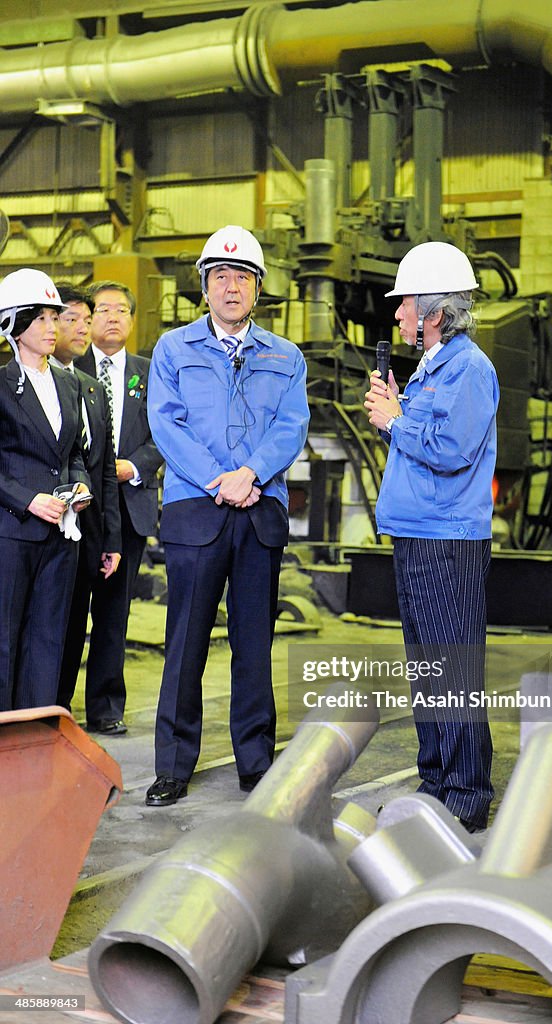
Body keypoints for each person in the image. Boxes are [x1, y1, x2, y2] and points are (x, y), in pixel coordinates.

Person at [145, 225, 309, 806]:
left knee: (254, 644)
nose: (231, 286)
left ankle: (255, 764)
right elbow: (166, 423)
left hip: (259, 511)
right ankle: (173, 766)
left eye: (242, 277)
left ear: (257, 289)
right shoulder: (172, 349)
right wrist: (221, 478)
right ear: (205, 288)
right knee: (185, 641)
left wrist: (252, 475)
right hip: (197, 508)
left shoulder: (285, 357)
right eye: (220, 277)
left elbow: (292, 426)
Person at [364, 241, 499, 832]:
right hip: (417, 533)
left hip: (447, 539)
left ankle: (467, 795)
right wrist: (398, 414)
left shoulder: (469, 369)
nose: (396, 315)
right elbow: (423, 442)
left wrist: (396, 419)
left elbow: (451, 450)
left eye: (405, 304)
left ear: (435, 313)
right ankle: (436, 782)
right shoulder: (433, 367)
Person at [0, 269, 91, 710]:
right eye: (41, 319)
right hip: (13, 534)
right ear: (13, 326)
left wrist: (81, 486)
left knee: (48, 640)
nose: (53, 327)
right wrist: (27, 499)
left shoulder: (70, 383)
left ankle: (37, 735)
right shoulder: (0, 385)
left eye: (56, 317)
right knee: (5, 639)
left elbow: (73, 451)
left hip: (61, 536)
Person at [74, 280, 163, 734]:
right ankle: (53, 705)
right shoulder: (68, 365)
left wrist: (135, 466)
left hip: (128, 510)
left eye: (120, 310)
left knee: (113, 615)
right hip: (75, 511)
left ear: (131, 319)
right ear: (89, 320)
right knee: (66, 611)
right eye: (102, 309)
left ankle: (106, 708)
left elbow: (164, 433)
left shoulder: (151, 372)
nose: (111, 317)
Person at [50, 284, 122, 714]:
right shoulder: (24, 384)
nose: (83, 327)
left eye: (86, 319)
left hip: (86, 531)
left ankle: (60, 709)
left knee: (77, 625)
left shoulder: (93, 389)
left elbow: (106, 469)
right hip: (41, 526)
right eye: (70, 318)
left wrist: (109, 538)